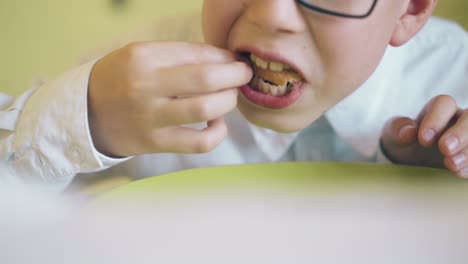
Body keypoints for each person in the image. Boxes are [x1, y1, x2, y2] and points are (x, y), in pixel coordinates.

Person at [1, 0, 467, 191]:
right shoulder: (141, 70)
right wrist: (84, 123)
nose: (269, 13)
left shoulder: (457, 74)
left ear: (411, 9)